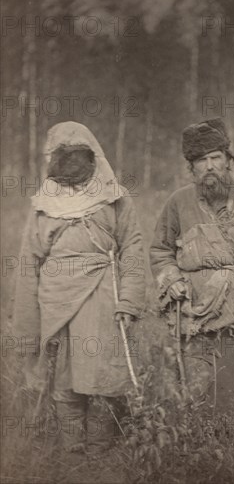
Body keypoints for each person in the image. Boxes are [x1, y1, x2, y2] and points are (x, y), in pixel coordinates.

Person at [13, 121, 145, 453]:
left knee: (101, 373)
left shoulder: (115, 197)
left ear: (93, 156)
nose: (71, 162)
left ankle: (99, 451)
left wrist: (128, 301)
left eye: (78, 155)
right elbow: (28, 264)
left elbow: (133, 248)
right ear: (53, 159)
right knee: (65, 376)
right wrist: (28, 322)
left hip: (103, 294)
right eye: (64, 155)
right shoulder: (43, 205)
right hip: (55, 301)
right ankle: (72, 453)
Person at [150, 118, 234, 413]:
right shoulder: (178, 203)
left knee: (233, 386)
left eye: (215, 158)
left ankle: (233, 443)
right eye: (201, 160)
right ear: (191, 167)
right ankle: (195, 443)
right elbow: (160, 251)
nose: (209, 166)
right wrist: (172, 280)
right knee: (193, 385)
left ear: (228, 161)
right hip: (190, 312)